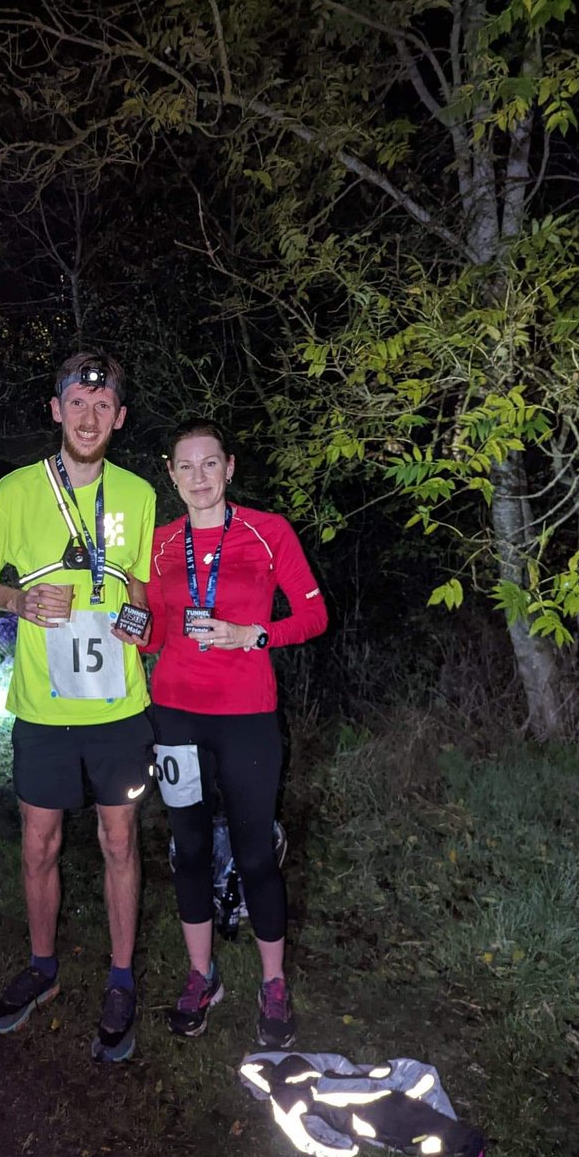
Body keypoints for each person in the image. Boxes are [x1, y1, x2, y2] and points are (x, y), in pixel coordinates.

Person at [0, 350, 156, 1064]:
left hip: (116, 707)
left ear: (120, 418)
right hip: (42, 711)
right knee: (39, 843)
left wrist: (134, 618)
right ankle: (42, 969)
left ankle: (120, 979)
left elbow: (141, 589)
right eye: (77, 402)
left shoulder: (137, 494)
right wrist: (18, 601)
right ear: (55, 409)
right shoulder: (15, 490)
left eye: (103, 407)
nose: (88, 416)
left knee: (118, 843)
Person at [142, 419, 328, 1047]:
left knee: (254, 855)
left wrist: (255, 634)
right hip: (175, 713)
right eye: (186, 467)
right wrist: (130, 628)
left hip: (248, 715)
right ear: (170, 474)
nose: (199, 478)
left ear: (229, 468)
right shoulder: (161, 543)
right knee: (188, 849)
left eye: (210, 464)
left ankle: (273, 986)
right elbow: (158, 631)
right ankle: (202, 976)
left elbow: (313, 614)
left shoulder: (268, 531)